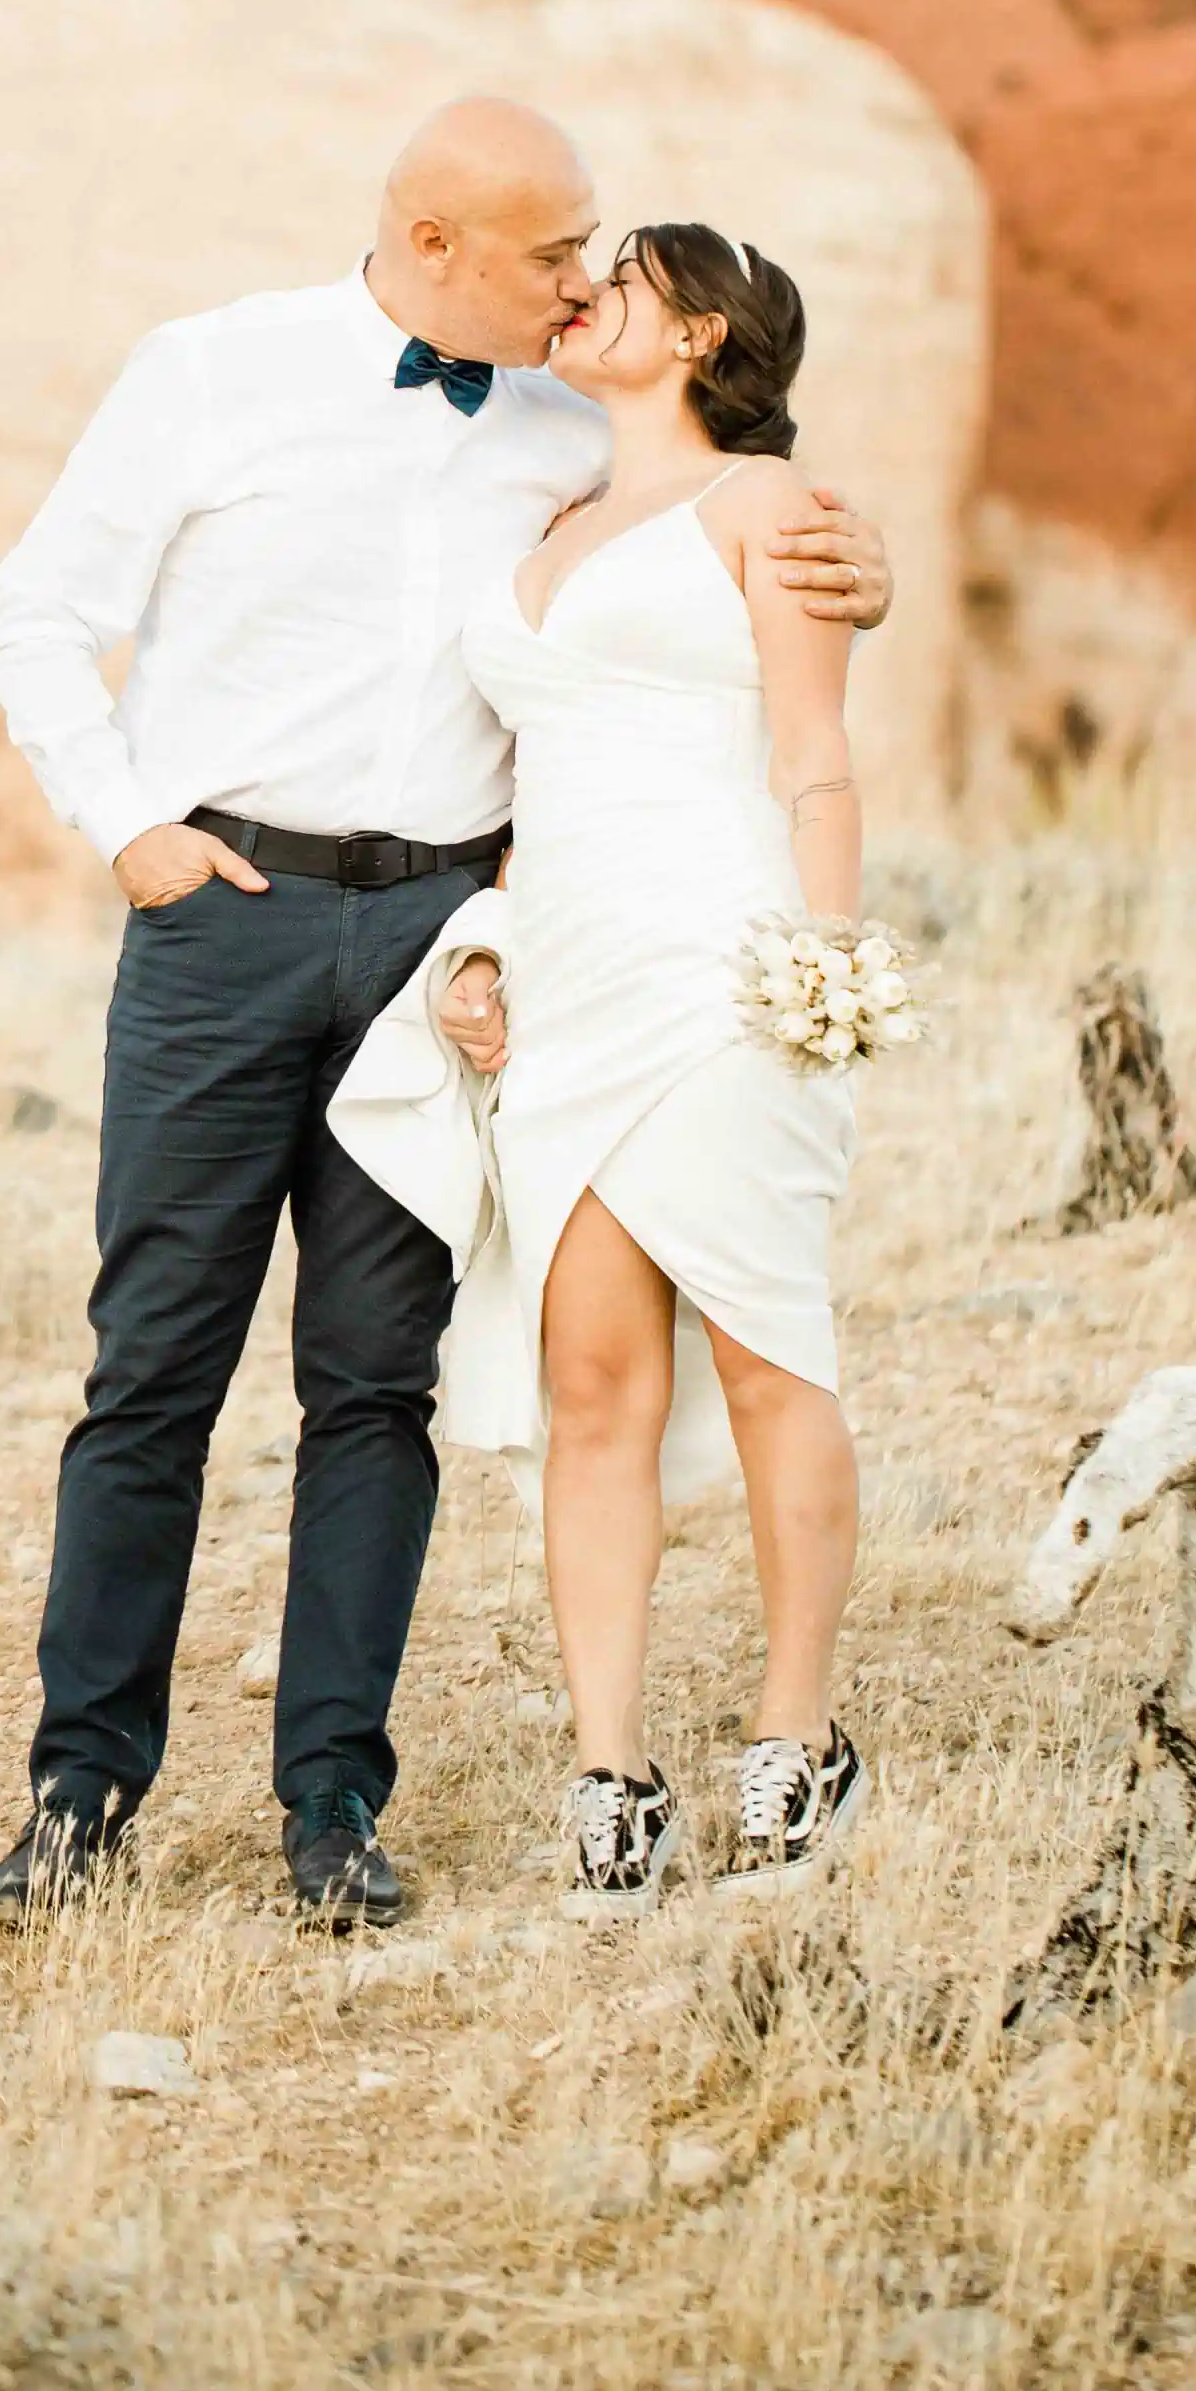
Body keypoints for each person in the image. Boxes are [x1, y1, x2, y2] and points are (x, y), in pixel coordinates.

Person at [0, 104, 890, 1930]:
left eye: (597, 258)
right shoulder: (211, 371)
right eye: (554, 253)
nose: (578, 283)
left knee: (372, 1384)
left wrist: (864, 572)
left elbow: (728, 546)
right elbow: (34, 619)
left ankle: (334, 1807)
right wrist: (132, 831)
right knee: (152, 1368)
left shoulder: (571, 428)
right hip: (223, 919)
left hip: (442, 949)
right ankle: (80, 1796)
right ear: (434, 241)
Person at [331, 223, 870, 1908]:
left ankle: (798, 1739)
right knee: (593, 1384)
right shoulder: (554, 514)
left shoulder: (768, 506)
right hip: (567, 979)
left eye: (620, 278)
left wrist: (827, 963)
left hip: (724, 971)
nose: (583, 293)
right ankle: (611, 1770)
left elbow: (815, 753)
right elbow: (531, 785)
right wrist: (488, 947)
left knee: (769, 1349)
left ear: (699, 330)